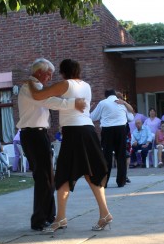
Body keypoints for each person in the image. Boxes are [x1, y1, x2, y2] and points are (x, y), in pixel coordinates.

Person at [28, 59, 112, 233]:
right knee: (91, 174)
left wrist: (29, 81)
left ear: (63, 72)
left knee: (64, 175)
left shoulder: (65, 84)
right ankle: (103, 213)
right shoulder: (87, 86)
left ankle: (61, 218)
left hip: (74, 133)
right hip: (89, 131)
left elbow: (38, 96)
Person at [17, 58, 86, 231]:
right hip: (33, 135)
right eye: (49, 73)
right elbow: (48, 101)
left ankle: (48, 215)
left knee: (48, 177)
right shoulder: (30, 88)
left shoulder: (35, 87)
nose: (50, 77)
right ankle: (39, 219)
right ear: (39, 72)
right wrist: (73, 103)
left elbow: (48, 98)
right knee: (43, 177)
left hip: (38, 134)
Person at [90, 88, 134, 188]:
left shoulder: (103, 103)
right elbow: (131, 118)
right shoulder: (122, 103)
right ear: (115, 94)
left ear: (106, 95)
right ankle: (121, 181)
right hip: (121, 130)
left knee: (106, 156)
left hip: (107, 130)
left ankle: (104, 182)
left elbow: (93, 117)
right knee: (121, 156)